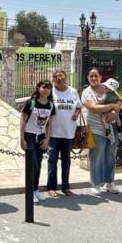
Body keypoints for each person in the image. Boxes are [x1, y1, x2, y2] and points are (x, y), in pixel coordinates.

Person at [81, 68, 122, 195]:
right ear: (88, 77)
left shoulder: (107, 88)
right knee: (96, 156)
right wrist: (111, 106)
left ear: (100, 77)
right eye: (91, 76)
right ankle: (96, 183)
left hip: (111, 126)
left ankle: (110, 182)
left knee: (110, 156)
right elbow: (93, 108)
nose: (94, 78)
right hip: (95, 128)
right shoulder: (86, 92)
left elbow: (119, 101)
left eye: (96, 76)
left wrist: (115, 111)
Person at [47, 69, 82, 197]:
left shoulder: (72, 91)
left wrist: (76, 114)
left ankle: (65, 186)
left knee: (66, 161)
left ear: (66, 78)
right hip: (53, 133)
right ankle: (51, 187)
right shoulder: (50, 92)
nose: (60, 79)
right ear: (53, 79)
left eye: (62, 76)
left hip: (69, 132)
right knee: (52, 160)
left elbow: (78, 106)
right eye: (57, 77)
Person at [20, 80, 55, 203]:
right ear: (38, 88)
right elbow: (23, 120)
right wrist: (22, 138)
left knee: (38, 165)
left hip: (41, 137)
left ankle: (35, 190)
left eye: (48, 88)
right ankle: (29, 191)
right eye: (43, 87)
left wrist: (47, 139)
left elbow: (50, 124)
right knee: (33, 164)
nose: (46, 90)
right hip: (29, 135)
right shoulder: (31, 103)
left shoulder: (51, 105)